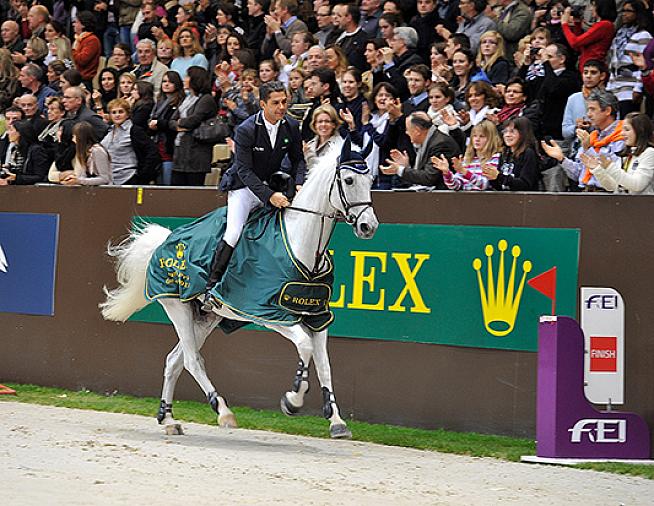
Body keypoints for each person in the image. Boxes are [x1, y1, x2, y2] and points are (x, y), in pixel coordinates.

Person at [204, 80, 306, 307]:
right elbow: (244, 170)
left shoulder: (290, 125)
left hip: (271, 183)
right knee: (234, 232)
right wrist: (269, 196)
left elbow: (298, 159)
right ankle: (211, 288)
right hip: (243, 187)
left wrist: (299, 183)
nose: (282, 107)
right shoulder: (246, 129)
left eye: (284, 102)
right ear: (262, 104)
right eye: (276, 103)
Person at [541, 89, 624, 192]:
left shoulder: (622, 136)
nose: (588, 114)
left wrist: (588, 149)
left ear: (607, 111)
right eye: (588, 110)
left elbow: (612, 173)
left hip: (608, 195)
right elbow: (579, 173)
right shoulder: (592, 136)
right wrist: (562, 159)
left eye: (593, 109)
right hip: (585, 192)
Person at [380, 111, 461, 189]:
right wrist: (406, 167)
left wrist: (400, 169)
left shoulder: (440, 144)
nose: (406, 132)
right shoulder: (431, 140)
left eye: (407, 129)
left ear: (417, 130)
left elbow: (429, 178)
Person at [582, 113, 654, 195]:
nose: (622, 133)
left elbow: (637, 185)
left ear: (640, 131)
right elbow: (612, 186)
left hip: (643, 203)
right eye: (622, 129)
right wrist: (597, 170)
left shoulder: (649, 153)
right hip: (622, 202)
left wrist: (610, 167)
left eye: (627, 130)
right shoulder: (628, 154)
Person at [170, 66, 218, 186]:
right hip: (180, 152)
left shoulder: (206, 99)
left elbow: (193, 120)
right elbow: (171, 121)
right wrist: (178, 124)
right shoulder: (186, 99)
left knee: (193, 190)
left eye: (187, 76)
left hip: (196, 154)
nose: (184, 79)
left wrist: (180, 123)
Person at [101, 98, 161, 185]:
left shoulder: (135, 131)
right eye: (113, 112)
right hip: (110, 179)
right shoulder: (109, 131)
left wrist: (143, 176)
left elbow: (152, 152)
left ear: (128, 114)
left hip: (128, 178)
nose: (117, 115)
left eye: (121, 112)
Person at [433, 119, 502, 191]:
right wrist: (446, 172)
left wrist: (464, 171)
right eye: (474, 136)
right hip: (465, 197)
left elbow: (484, 185)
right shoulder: (467, 159)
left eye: (482, 136)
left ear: (491, 139)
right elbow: (455, 186)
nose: (477, 139)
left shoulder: (495, 158)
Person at [149, 71, 186, 185]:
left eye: (170, 82)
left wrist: (158, 123)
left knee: (167, 182)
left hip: (170, 145)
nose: (166, 84)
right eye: (164, 81)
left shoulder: (181, 102)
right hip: (157, 143)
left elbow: (175, 123)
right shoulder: (159, 101)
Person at [484, 116, 540, 191]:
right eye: (505, 131)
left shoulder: (528, 153)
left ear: (523, 133)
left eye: (512, 131)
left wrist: (499, 176)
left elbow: (525, 185)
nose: (507, 135)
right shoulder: (504, 153)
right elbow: (500, 187)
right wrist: (492, 178)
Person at [49, 121, 113, 186]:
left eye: (74, 136)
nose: (73, 140)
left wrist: (79, 181)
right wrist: (70, 180)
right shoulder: (81, 152)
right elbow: (81, 175)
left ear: (81, 137)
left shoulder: (97, 151)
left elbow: (105, 179)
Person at [561, 0, 616, 74]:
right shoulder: (602, 25)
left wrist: (564, 24)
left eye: (594, 6)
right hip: (586, 65)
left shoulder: (605, 25)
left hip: (593, 67)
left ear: (602, 7)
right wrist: (577, 23)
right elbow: (578, 47)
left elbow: (574, 42)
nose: (591, 9)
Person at [0, 120, 49, 186]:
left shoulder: (37, 150)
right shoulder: (16, 149)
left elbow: (40, 176)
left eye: (11, 130)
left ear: (19, 133)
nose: (8, 133)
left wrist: (16, 178)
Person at [303, 104, 343, 173]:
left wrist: (308, 155)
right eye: (320, 121)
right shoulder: (310, 144)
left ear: (334, 124)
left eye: (327, 121)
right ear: (315, 125)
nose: (323, 125)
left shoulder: (339, 146)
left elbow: (321, 172)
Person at [71, 11, 102, 89]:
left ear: (83, 25)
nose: (73, 24)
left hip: (85, 81)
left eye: (76, 22)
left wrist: (74, 49)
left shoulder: (92, 40)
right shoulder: (79, 39)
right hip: (77, 78)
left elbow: (82, 60)